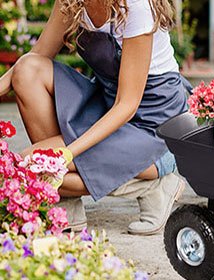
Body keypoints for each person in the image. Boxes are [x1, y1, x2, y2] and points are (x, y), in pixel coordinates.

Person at [0, 0, 189, 235]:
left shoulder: (136, 6)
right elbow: (38, 54)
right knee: (28, 70)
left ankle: (156, 185)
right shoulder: (72, 1)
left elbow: (127, 105)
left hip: (153, 124)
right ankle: (65, 204)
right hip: (107, 103)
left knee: (31, 166)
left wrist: (68, 154)